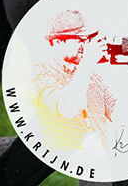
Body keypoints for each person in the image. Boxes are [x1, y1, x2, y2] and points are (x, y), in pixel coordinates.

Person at [29, 10, 115, 150]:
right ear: (56, 42)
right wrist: (87, 63)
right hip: (63, 153)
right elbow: (67, 110)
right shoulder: (42, 75)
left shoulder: (83, 69)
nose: (84, 45)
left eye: (86, 39)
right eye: (78, 39)